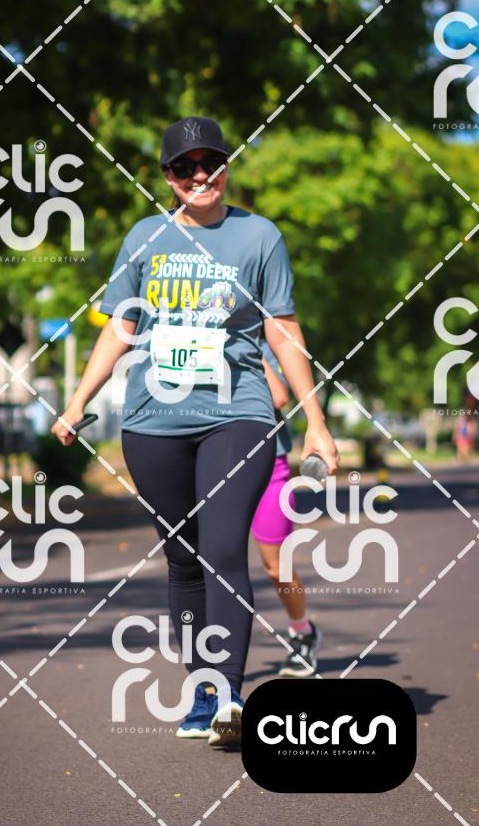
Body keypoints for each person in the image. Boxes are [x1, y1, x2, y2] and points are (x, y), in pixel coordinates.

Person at [52, 116, 338, 746]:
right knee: (183, 559)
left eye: (211, 163)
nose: (199, 175)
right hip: (152, 421)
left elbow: (282, 330)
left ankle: (231, 695)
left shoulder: (259, 235)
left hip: (239, 414)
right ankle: (203, 693)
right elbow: (121, 326)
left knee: (223, 549)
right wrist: (77, 403)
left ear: (227, 167)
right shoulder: (145, 237)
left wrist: (315, 421)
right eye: (185, 167)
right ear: (167, 177)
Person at [252, 342, 320, 677]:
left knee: (276, 567)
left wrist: (242, 346)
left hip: (268, 463)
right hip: (213, 463)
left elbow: (279, 396)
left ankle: (302, 631)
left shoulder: (257, 338)